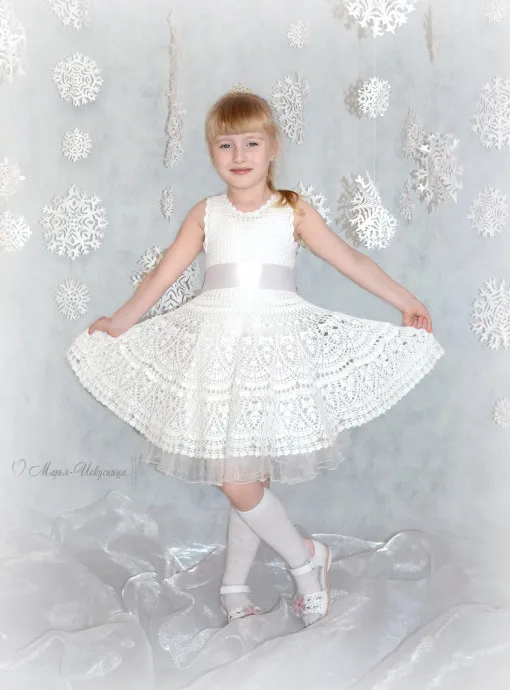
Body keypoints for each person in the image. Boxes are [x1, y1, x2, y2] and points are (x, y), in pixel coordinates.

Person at [66, 92, 444, 629]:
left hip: (274, 349)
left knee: (248, 476)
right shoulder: (207, 214)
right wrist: (121, 321)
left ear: (273, 149)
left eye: (251, 143)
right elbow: (163, 276)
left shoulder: (292, 210)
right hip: (220, 350)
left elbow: (351, 260)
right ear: (211, 152)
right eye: (226, 145)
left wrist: (406, 300)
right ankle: (302, 561)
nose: (239, 155)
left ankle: (253, 579)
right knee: (238, 476)